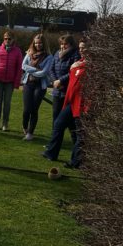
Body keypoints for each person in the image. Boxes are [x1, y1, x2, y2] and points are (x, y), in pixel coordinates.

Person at [42, 39, 88, 168]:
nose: (81, 50)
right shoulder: (78, 63)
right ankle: (51, 153)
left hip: (82, 104)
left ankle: (76, 162)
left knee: (80, 133)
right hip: (71, 102)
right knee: (58, 123)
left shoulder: (92, 65)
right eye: (80, 48)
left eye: (84, 48)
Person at [0, 30, 23, 131]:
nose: (7, 40)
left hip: (10, 82)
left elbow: (19, 68)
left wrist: (16, 83)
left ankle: (5, 124)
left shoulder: (17, 51)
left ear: (13, 39)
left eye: (9, 39)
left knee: (7, 102)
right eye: (5, 38)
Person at [20, 34, 53, 140]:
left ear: (44, 44)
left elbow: (44, 73)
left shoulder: (49, 57)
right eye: (36, 43)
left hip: (40, 85)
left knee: (34, 110)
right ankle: (25, 127)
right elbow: (23, 66)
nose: (38, 45)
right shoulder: (29, 53)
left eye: (40, 43)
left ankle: (30, 133)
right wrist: (36, 70)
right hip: (28, 84)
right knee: (26, 110)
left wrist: (31, 70)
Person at [47, 34, 80, 120]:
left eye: (65, 44)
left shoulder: (75, 54)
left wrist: (60, 81)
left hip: (67, 90)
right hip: (57, 90)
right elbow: (51, 69)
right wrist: (55, 81)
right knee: (55, 115)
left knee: (67, 118)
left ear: (71, 44)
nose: (63, 46)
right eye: (61, 44)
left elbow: (73, 72)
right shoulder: (57, 53)